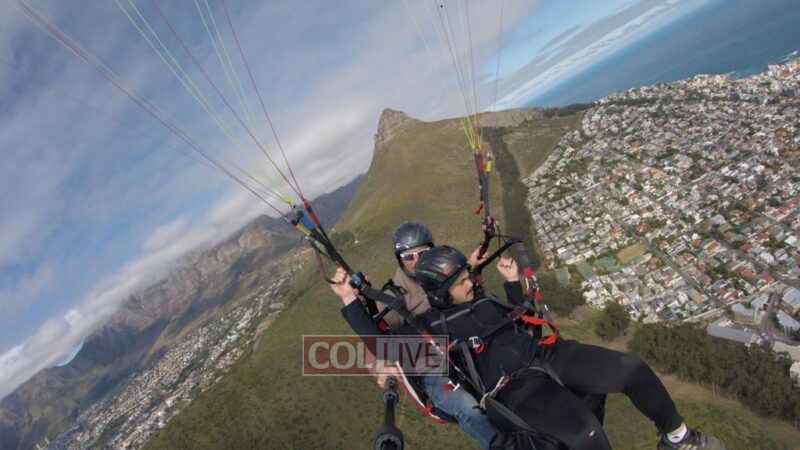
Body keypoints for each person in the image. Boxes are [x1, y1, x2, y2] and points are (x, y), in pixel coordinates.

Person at [332, 245, 726, 450]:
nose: (472, 281)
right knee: (586, 436)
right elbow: (382, 344)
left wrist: (511, 283)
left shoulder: (483, 300)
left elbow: (523, 316)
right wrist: (350, 301)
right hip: (514, 387)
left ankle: (678, 438)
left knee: (632, 370)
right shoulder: (431, 331)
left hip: (545, 354)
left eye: (469, 276)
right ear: (441, 292)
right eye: (463, 280)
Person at [373, 221, 498, 449]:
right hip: (431, 368)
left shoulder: (442, 272)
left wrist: (470, 266)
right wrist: (381, 366)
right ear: (399, 259)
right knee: (468, 409)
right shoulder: (392, 297)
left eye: (422, 253)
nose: (416, 261)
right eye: (408, 256)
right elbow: (379, 341)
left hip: (463, 345)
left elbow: (461, 289)